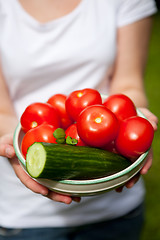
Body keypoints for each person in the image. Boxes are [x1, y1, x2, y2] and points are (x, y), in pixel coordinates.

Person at [0, 0, 158, 239]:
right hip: (24, 214)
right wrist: (14, 147)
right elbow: (2, 110)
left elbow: (129, 84)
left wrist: (138, 120)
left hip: (116, 204)